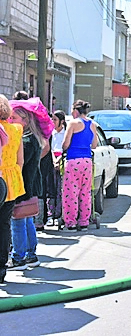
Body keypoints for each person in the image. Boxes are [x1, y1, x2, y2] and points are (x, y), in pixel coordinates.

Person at [7, 97, 53, 271]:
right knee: (27, 220)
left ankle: (18, 258)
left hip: (23, 186)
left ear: (25, 121)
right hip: (31, 185)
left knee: (18, 221)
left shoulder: (26, 140)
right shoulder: (34, 138)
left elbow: (19, 163)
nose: (11, 121)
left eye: (15, 118)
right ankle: (30, 255)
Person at [62, 100, 97, 232]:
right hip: (87, 161)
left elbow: (65, 144)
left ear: (76, 111)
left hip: (73, 160)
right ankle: (84, 221)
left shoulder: (73, 123)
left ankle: (71, 222)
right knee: (85, 191)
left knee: (71, 192)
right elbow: (94, 145)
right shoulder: (92, 124)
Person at [0, 95, 22, 280]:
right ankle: (2, 267)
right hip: (11, 181)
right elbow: (20, 160)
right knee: (4, 224)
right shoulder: (16, 130)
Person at [49, 110, 66, 224]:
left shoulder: (66, 133)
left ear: (62, 121)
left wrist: (59, 160)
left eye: (55, 120)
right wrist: (54, 160)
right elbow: (49, 148)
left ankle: (60, 213)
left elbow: (65, 148)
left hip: (63, 161)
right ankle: (51, 214)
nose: (53, 122)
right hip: (51, 160)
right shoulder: (51, 133)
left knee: (61, 188)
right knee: (51, 189)